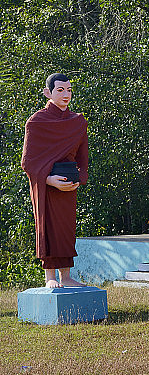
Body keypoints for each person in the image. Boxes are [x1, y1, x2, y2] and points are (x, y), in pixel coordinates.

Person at [21, 73, 88, 288]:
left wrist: (79, 179)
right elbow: (28, 162)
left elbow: (83, 157)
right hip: (46, 185)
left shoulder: (77, 121)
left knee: (66, 229)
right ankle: (50, 277)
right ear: (47, 93)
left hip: (68, 184)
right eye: (60, 90)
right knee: (48, 226)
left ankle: (66, 277)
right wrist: (49, 180)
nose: (66, 94)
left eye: (69, 90)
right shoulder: (36, 122)